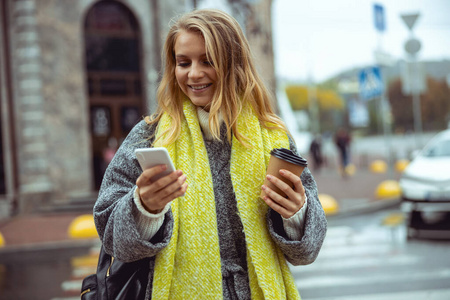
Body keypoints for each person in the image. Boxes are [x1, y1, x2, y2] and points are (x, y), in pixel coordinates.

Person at [94, 9, 327, 300]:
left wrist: (297, 214)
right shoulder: (151, 136)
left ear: (234, 64)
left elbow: (308, 251)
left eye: (208, 61)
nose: (193, 73)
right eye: (183, 62)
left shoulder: (272, 136)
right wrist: (143, 209)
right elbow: (112, 237)